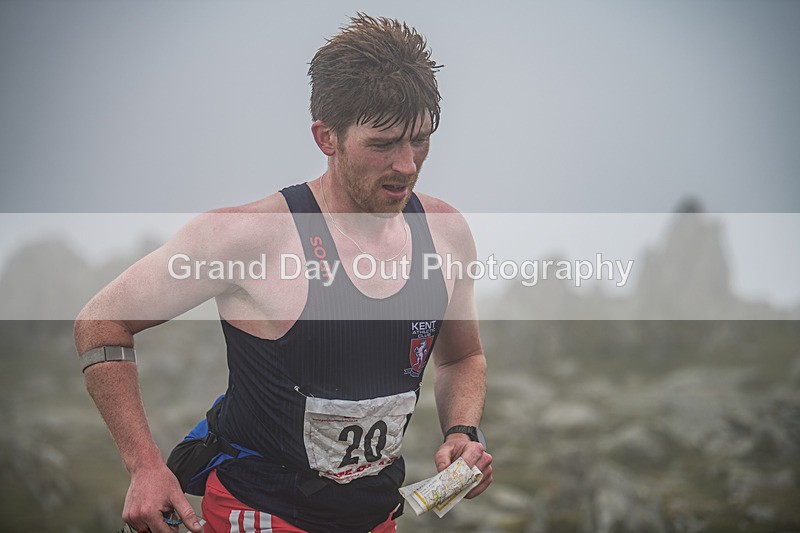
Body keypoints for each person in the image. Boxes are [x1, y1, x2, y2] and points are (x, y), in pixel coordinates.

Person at [74, 13, 492, 533]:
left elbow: (462, 357)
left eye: (420, 141)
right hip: (259, 511)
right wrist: (144, 467)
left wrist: (461, 429)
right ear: (326, 137)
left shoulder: (446, 234)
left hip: (375, 518)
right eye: (383, 144)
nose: (407, 165)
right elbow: (101, 323)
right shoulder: (248, 237)